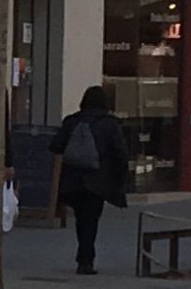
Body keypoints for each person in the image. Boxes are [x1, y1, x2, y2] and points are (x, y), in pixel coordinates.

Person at [52, 85, 134, 275]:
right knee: (91, 220)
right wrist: (119, 178)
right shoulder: (109, 124)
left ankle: (84, 255)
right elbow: (120, 153)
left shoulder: (71, 121)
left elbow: (55, 145)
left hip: (73, 179)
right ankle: (86, 259)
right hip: (97, 181)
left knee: (81, 219)